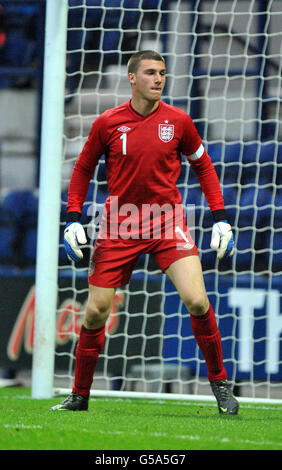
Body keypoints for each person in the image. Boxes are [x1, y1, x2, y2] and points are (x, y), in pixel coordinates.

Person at [51, 50, 238, 415]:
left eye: (163, 73)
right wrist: (73, 216)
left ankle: (221, 387)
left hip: (167, 222)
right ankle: (79, 395)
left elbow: (204, 166)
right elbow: (83, 169)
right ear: (132, 78)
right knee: (95, 312)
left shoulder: (179, 121)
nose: (158, 79)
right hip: (120, 223)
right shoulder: (108, 122)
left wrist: (220, 217)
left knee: (198, 301)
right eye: (150, 72)